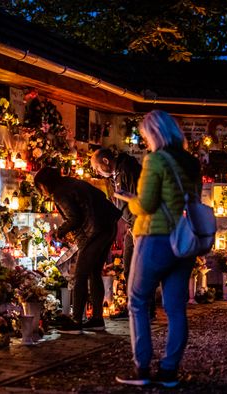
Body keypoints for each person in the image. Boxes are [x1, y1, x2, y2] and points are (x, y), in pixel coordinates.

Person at [113, 110, 200, 388]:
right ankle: (169, 371)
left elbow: (147, 205)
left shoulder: (155, 160)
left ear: (154, 134)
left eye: (145, 135)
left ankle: (141, 368)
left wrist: (130, 201)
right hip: (184, 241)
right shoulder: (190, 162)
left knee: (138, 300)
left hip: (155, 238)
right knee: (175, 308)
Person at [34, 167, 121, 333]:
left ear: (45, 184)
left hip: (94, 231)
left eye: (40, 187)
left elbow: (75, 217)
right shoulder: (71, 183)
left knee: (80, 275)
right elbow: (99, 198)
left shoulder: (59, 192)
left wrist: (59, 231)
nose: (41, 191)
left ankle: (76, 321)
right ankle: (96, 319)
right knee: (94, 273)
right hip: (107, 226)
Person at [91, 148, 157, 318]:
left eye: (97, 168)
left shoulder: (128, 169)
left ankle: (144, 309)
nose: (97, 172)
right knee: (130, 268)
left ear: (106, 161)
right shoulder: (116, 174)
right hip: (132, 225)